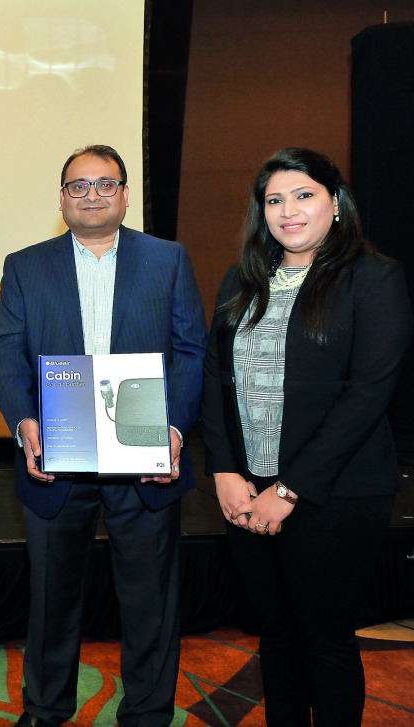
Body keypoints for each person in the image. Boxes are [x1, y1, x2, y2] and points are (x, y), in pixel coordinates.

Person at [0, 144, 206, 727]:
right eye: (79, 186)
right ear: (61, 199)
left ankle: (149, 713)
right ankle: (45, 708)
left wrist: (176, 428)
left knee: (150, 601)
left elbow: (190, 350)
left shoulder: (168, 259)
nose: (92, 195)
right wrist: (23, 421)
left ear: (125, 194)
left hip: (144, 456)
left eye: (105, 184)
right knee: (52, 600)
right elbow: (6, 352)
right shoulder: (25, 265)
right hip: (56, 453)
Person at [201, 147, 412, 725]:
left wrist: (289, 490)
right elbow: (216, 377)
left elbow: (368, 395)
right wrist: (223, 470)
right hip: (247, 490)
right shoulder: (243, 278)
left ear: (336, 203)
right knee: (276, 633)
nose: (288, 211)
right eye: (274, 200)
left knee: (323, 637)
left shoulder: (373, 276)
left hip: (335, 493)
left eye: (303, 195)